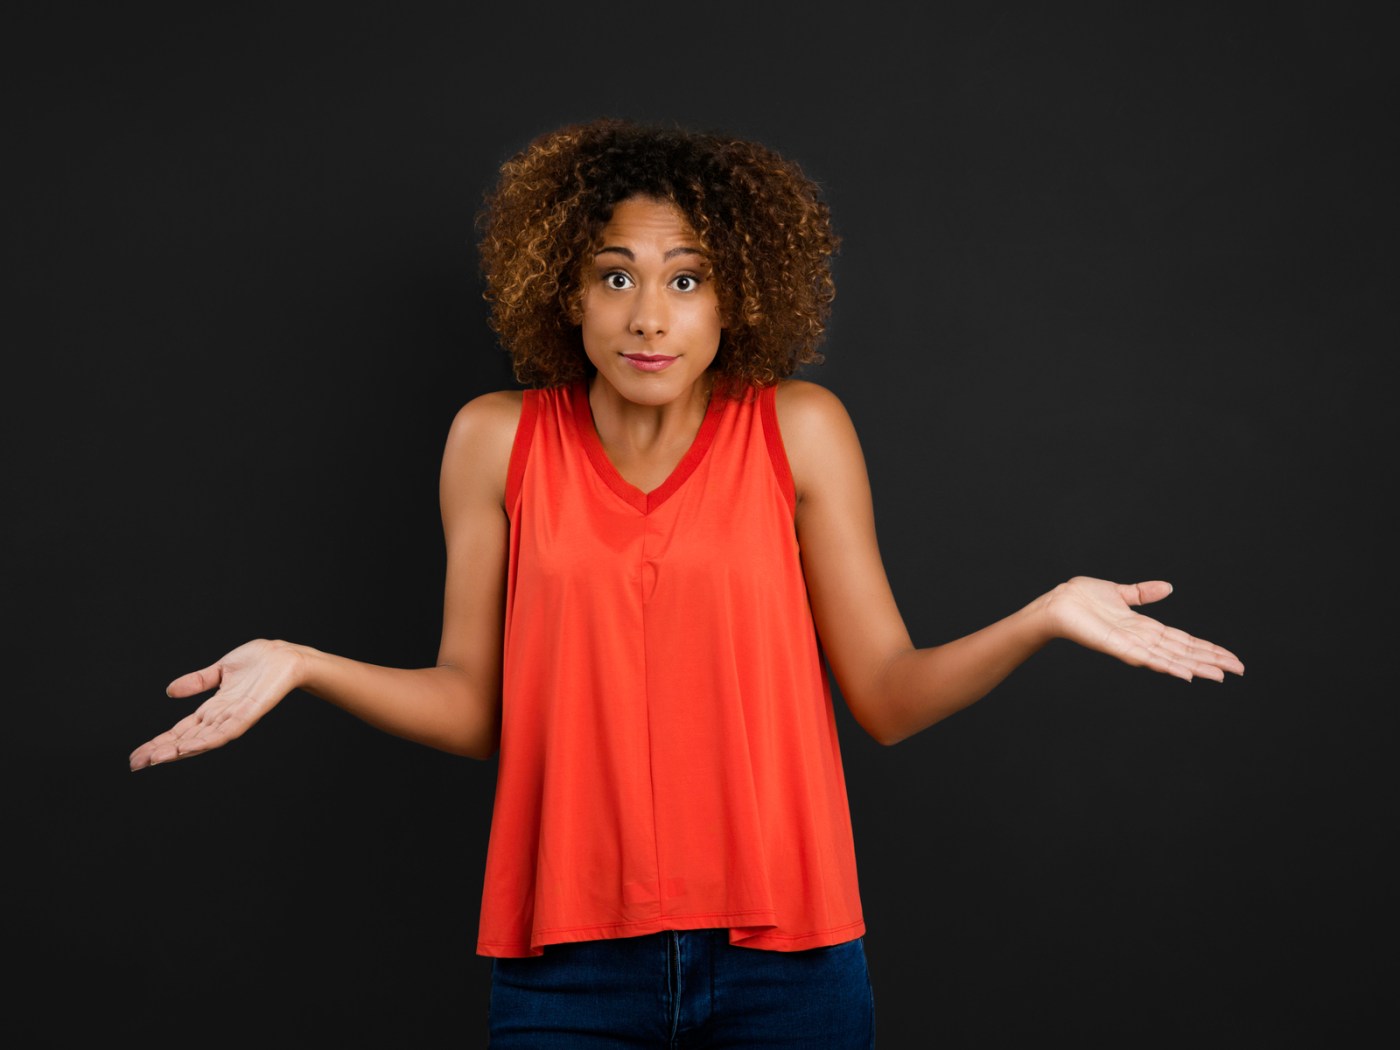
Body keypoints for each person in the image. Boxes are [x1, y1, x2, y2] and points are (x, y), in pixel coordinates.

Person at [128, 117, 1244, 1048]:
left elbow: (888, 697)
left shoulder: (799, 432)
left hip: (788, 964)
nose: (647, 316)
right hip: (564, 969)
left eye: (685, 279)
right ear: (564, 290)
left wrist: (1041, 617)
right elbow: (477, 707)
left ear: (735, 297)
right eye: (614, 276)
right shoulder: (493, 441)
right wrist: (307, 665)